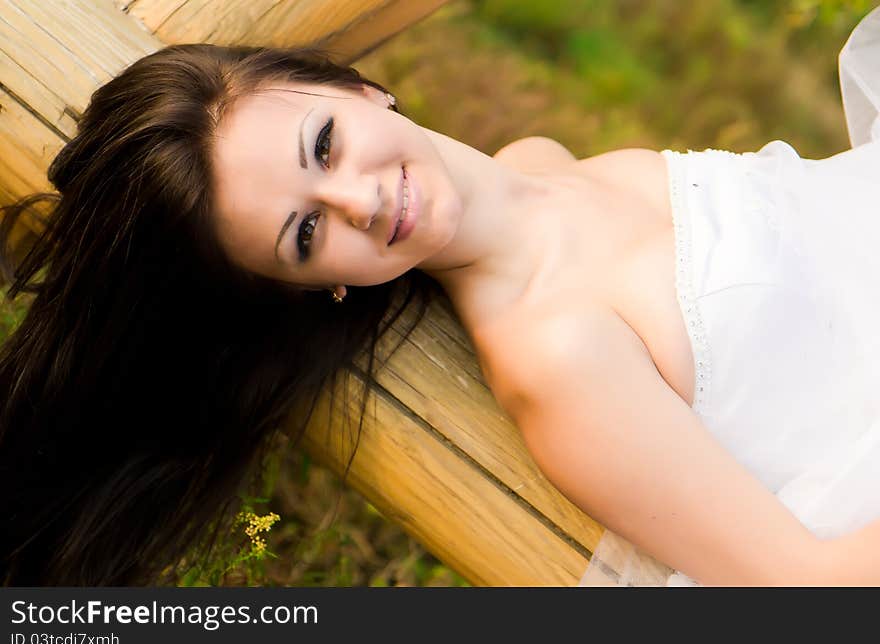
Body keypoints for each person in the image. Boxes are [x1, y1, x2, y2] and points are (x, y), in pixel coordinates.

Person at [1, 8, 878, 586]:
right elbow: (809, 587)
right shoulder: (558, 360)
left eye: (326, 143)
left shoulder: (542, 163)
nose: (361, 199)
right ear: (321, 287)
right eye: (306, 234)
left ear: (351, 84)